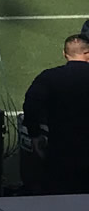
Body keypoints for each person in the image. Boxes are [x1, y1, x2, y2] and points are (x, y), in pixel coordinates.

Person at [23, 36, 89, 195]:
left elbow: (31, 106)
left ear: (65, 54)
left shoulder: (48, 77)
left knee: (59, 202)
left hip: (60, 151)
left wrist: (35, 134)